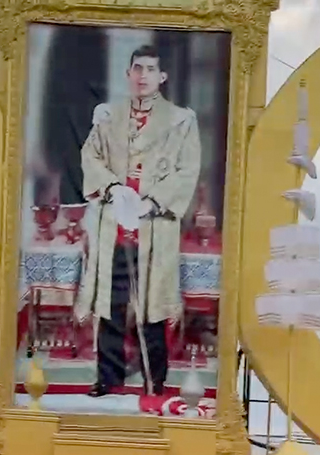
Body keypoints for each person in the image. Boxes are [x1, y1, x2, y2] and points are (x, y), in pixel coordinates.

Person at [75, 44, 202, 397]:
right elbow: (90, 155)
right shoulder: (108, 116)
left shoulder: (180, 120)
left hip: (153, 226)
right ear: (128, 74)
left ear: (162, 76)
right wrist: (112, 188)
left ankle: (153, 379)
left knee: (152, 307)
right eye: (137, 69)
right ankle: (108, 377)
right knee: (111, 306)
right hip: (114, 225)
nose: (143, 76)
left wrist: (154, 201)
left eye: (150, 69)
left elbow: (187, 169)